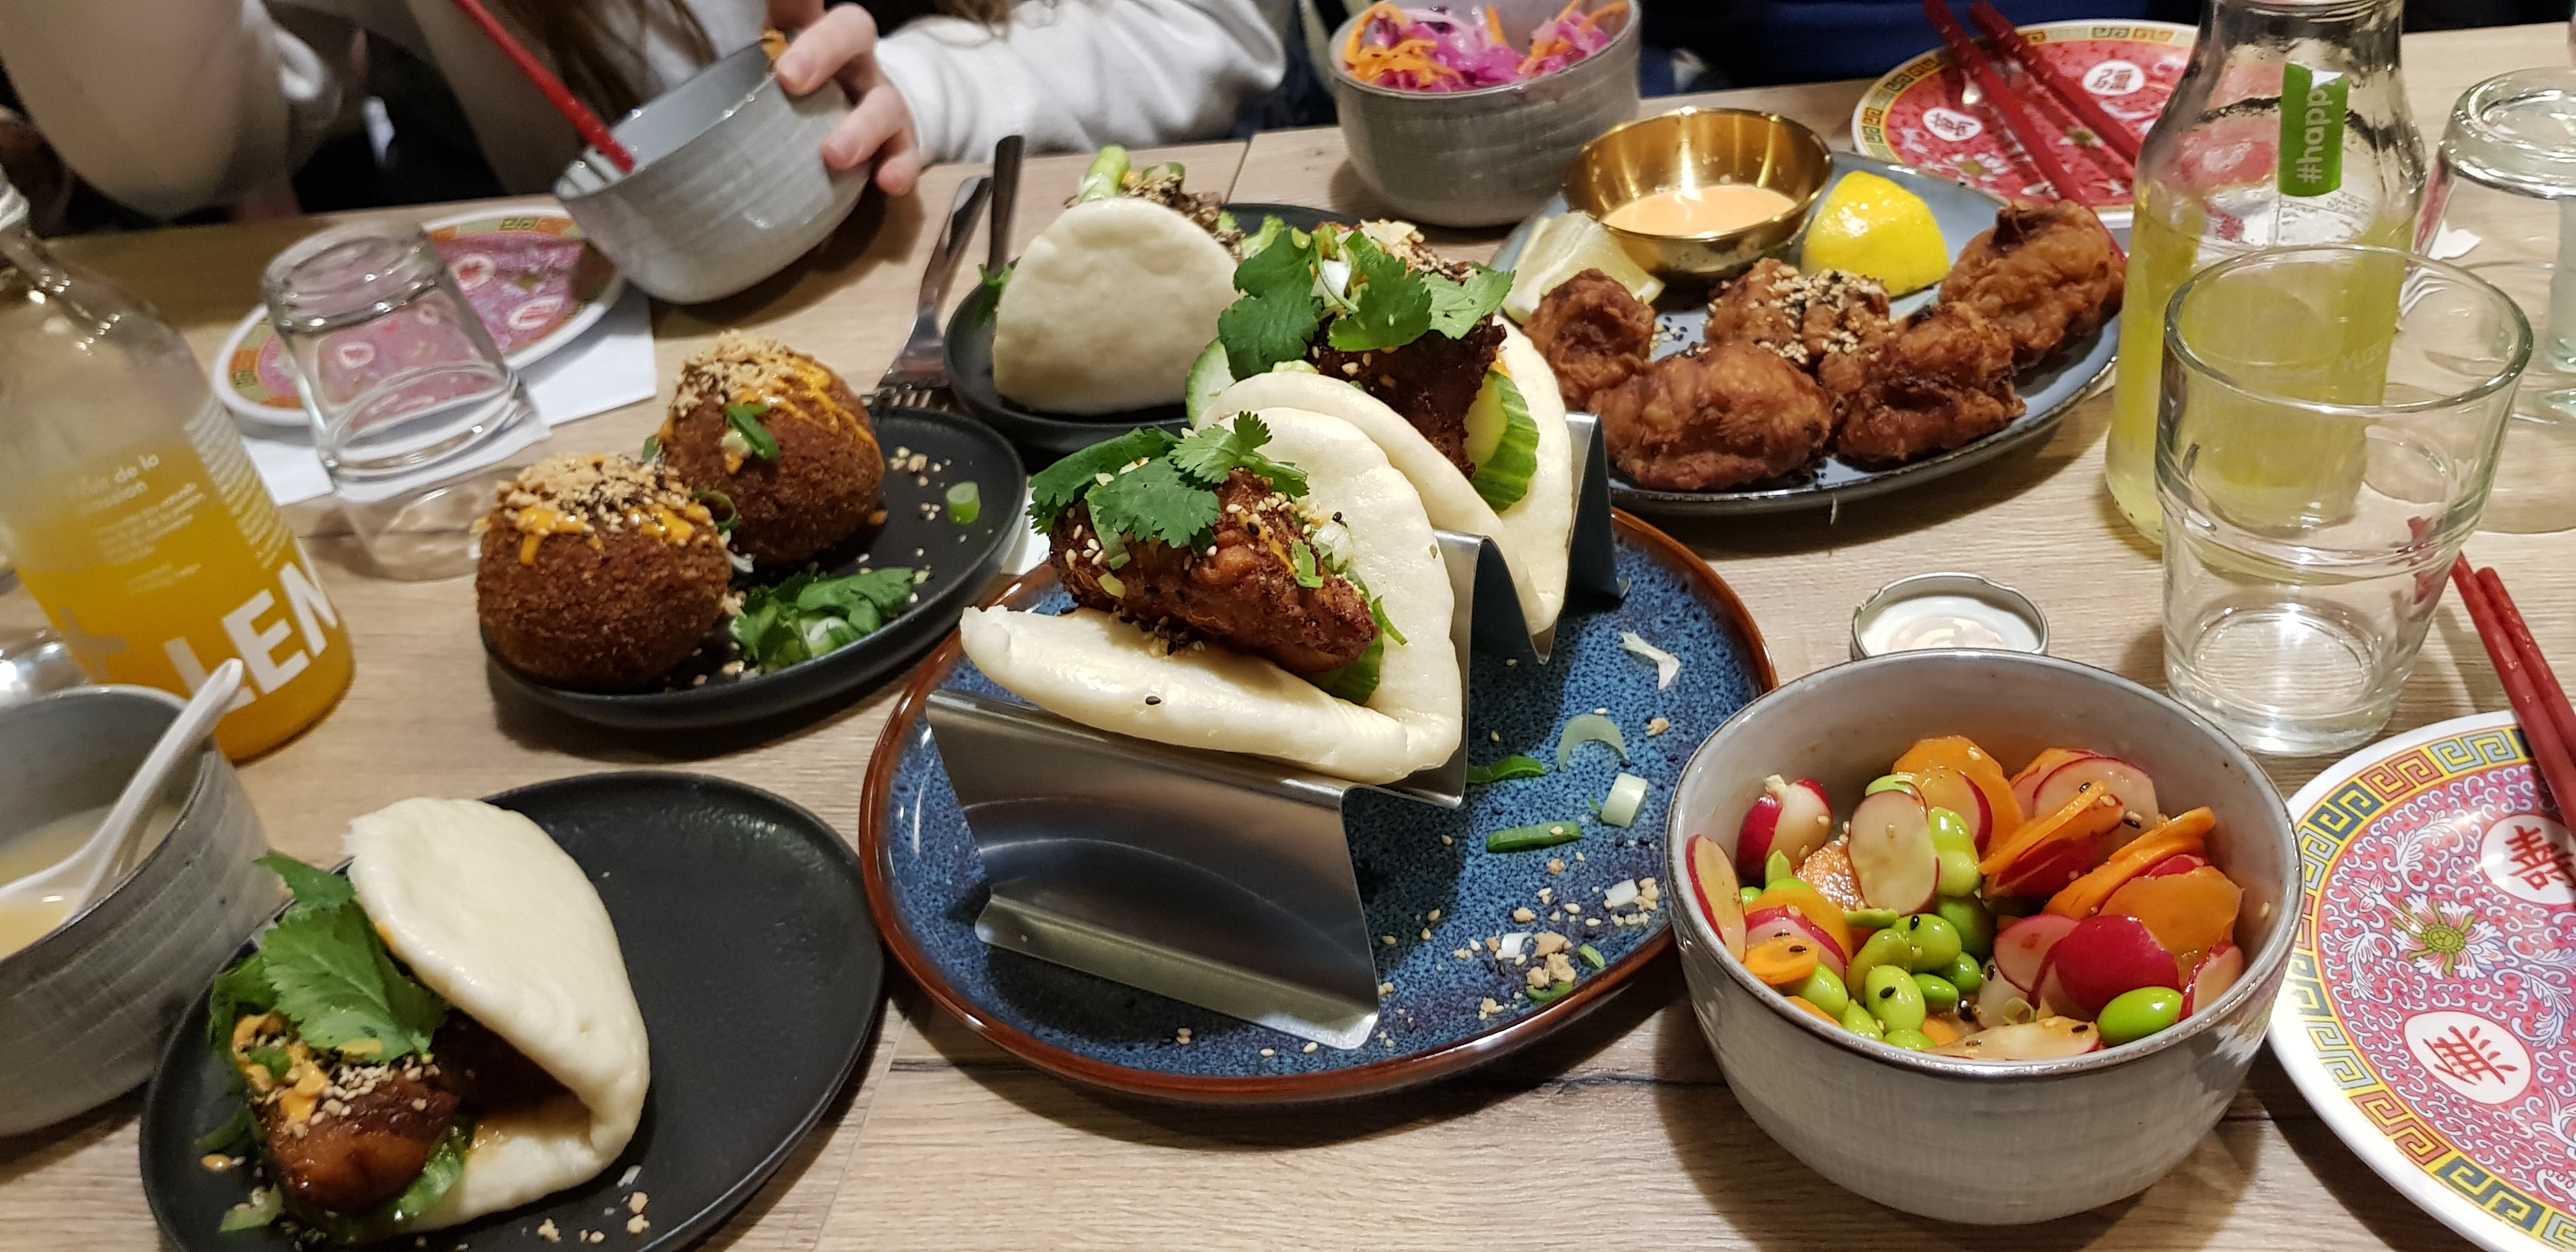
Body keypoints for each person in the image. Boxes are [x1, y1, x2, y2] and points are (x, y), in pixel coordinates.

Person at [0, 0, 1293, 221]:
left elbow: (1215, 26)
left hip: (1018, 207)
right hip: (591, 319)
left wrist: (939, 85)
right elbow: (180, 155)